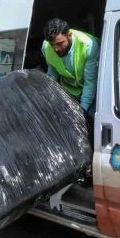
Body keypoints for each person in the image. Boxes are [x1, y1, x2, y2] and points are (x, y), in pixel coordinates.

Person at [42, 17, 100, 150]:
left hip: (89, 91)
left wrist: (81, 112)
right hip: (68, 90)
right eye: (52, 45)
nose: (56, 49)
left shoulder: (88, 45)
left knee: (89, 123)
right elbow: (52, 76)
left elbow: (90, 83)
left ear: (69, 35)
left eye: (60, 43)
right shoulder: (46, 48)